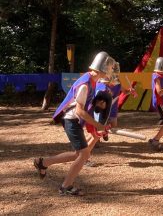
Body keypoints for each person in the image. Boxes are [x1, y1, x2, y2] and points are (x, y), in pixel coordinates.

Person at [33, 51, 115, 195]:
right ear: (103, 69)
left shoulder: (92, 81)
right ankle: (66, 187)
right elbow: (80, 111)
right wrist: (99, 126)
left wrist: (96, 129)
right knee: (84, 155)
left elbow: (87, 110)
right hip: (71, 119)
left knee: (77, 154)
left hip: (73, 120)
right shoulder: (85, 84)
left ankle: (43, 162)